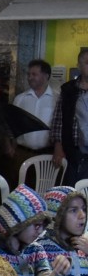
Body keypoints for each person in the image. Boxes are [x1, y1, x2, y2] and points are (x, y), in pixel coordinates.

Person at [52, 49, 88, 183]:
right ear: (79, 65)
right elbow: (58, 120)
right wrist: (58, 146)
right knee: (71, 189)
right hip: (71, 150)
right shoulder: (68, 89)